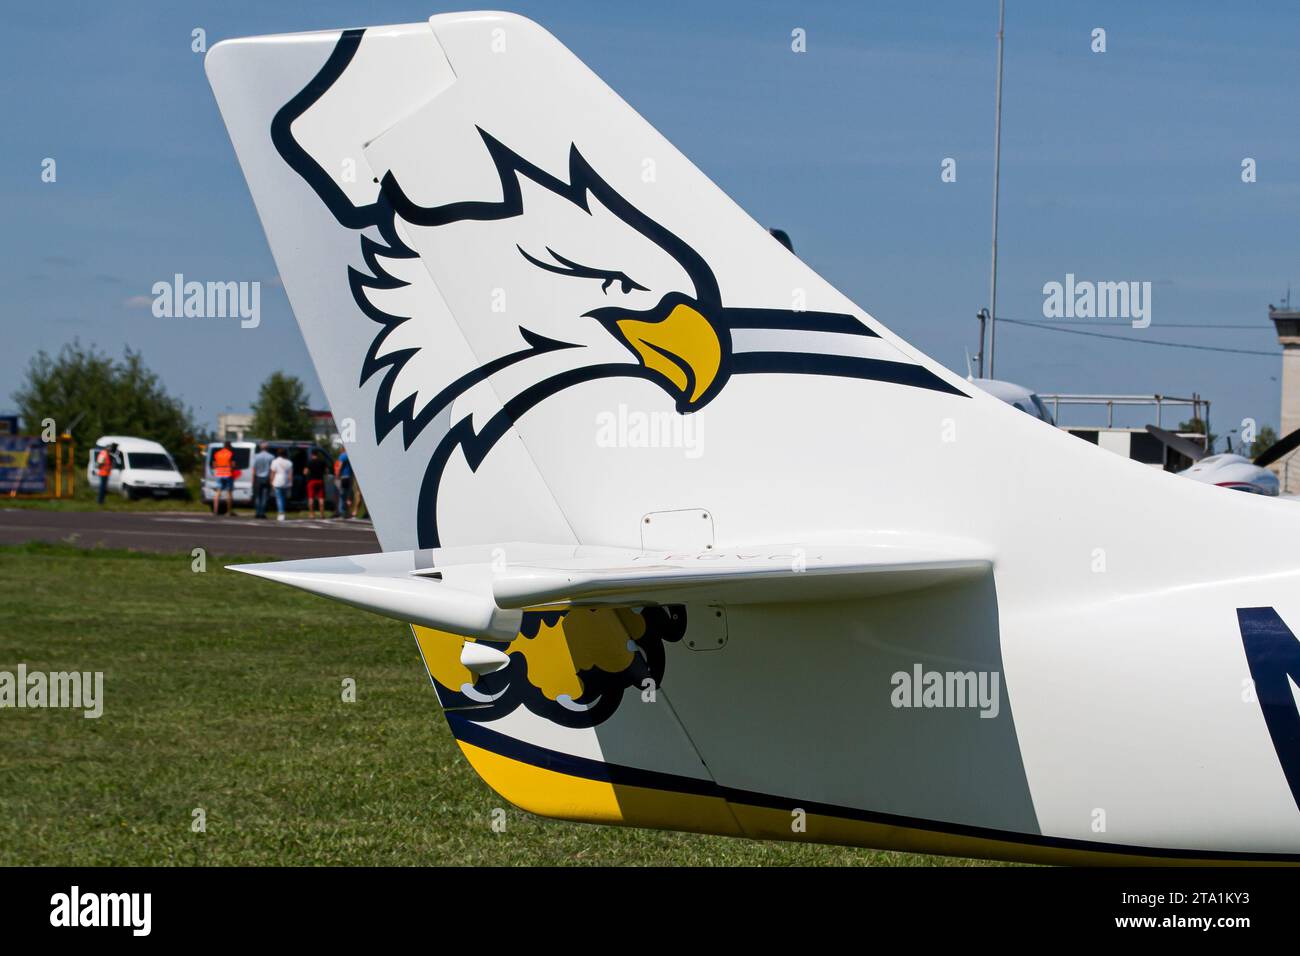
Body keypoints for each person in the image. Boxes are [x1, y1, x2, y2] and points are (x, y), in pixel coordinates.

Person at [211, 441, 236, 517]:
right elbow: (233, 465)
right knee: (229, 493)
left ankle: (215, 511)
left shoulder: (217, 453)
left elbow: (214, 465)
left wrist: (219, 468)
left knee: (218, 493)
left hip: (219, 473)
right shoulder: (231, 453)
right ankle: (228, 512)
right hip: (228, 473)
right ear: (229, 446)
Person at [251, 441, 274, 519]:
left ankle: (257, 512)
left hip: (258, 477)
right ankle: (262, 512)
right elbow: (271, 470)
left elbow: (254, 469)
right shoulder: (271, 456)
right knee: (265, 496)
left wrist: (253, 480)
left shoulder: (256, 456)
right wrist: (271, 480)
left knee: (258, 496)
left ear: (260, 447)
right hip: (266, 477)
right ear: (267, 448)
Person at [269, 447, 293, 522]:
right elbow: (290, 474)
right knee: (283, 498)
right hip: (285, 481)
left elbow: (273, 472)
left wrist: (271, 481)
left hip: (277, 480)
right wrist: (290, 483)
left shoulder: (275, 461)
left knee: (279, 498)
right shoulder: (289, 462)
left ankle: (281, 513)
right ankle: (282, 512)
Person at [304, 449, 327, 519]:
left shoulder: (309, 462)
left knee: (311, 498)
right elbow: (326, 471)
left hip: (312, 481)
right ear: (317, 454)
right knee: (321, 498)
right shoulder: (322, 462)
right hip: (320, 481)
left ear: (312, 454)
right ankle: (322, 514)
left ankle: (312, 514)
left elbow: (305, 472)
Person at [334, 447, 353, 519]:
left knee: (341, 495)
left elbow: (340, 466)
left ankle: (341, 512)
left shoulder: (342, 456)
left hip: (343, 477)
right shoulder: (349, 455)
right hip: (349, 476)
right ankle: (348, 512)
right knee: (348, 495)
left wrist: (337, 476)